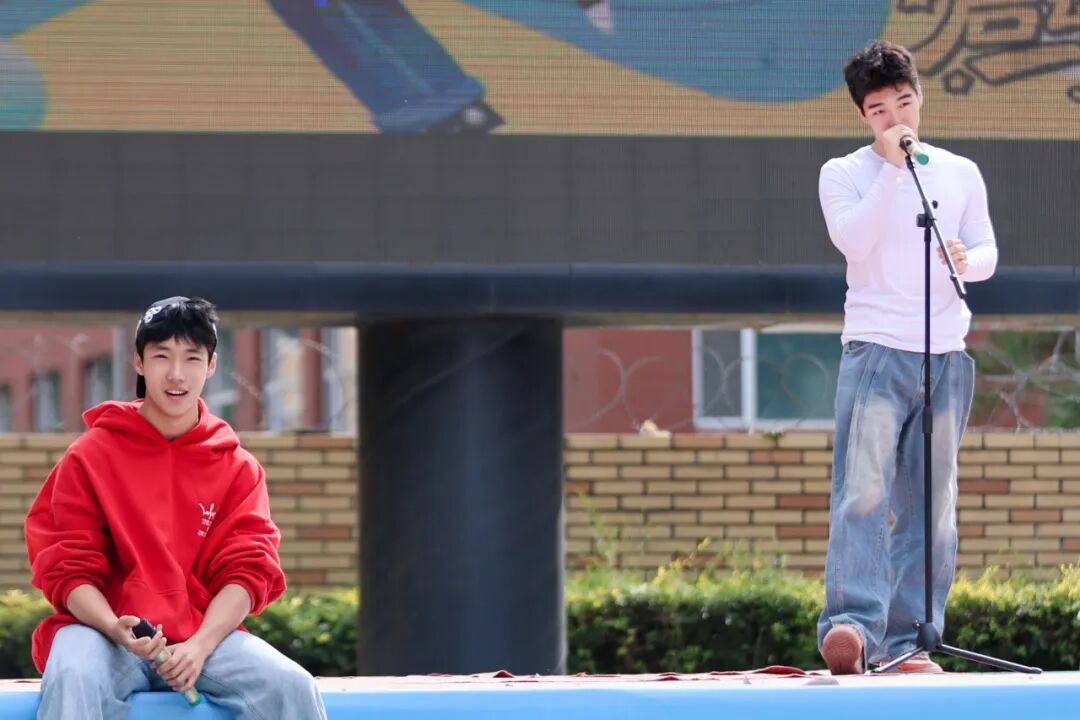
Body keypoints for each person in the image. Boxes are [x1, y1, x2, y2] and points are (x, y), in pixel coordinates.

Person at [25, 297, 327, 719]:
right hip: (104, 633)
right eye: (161, 356)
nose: (176, 373)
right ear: (139, 362)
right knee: (74, 672)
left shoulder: (236, 467)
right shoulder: (89, 456)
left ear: (212, 365)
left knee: (290, 686)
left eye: (191, 357)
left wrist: (199, 647)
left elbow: (248, 571)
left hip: (202, 637)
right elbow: (66, 566)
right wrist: (113, 626)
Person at [816, 41, 998, 675]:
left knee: (933, 506)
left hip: (945, 354)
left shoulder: (959, 171)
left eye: (903, 102)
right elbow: (854, 240)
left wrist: (968, 261)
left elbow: (987, 249)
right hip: (876, 351)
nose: (895, 117)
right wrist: (894, 171)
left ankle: (909, 641)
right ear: (862, 116)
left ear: (919, 96)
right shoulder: (844, 173)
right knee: (864, 492)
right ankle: (852, 628)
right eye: (879, 110)